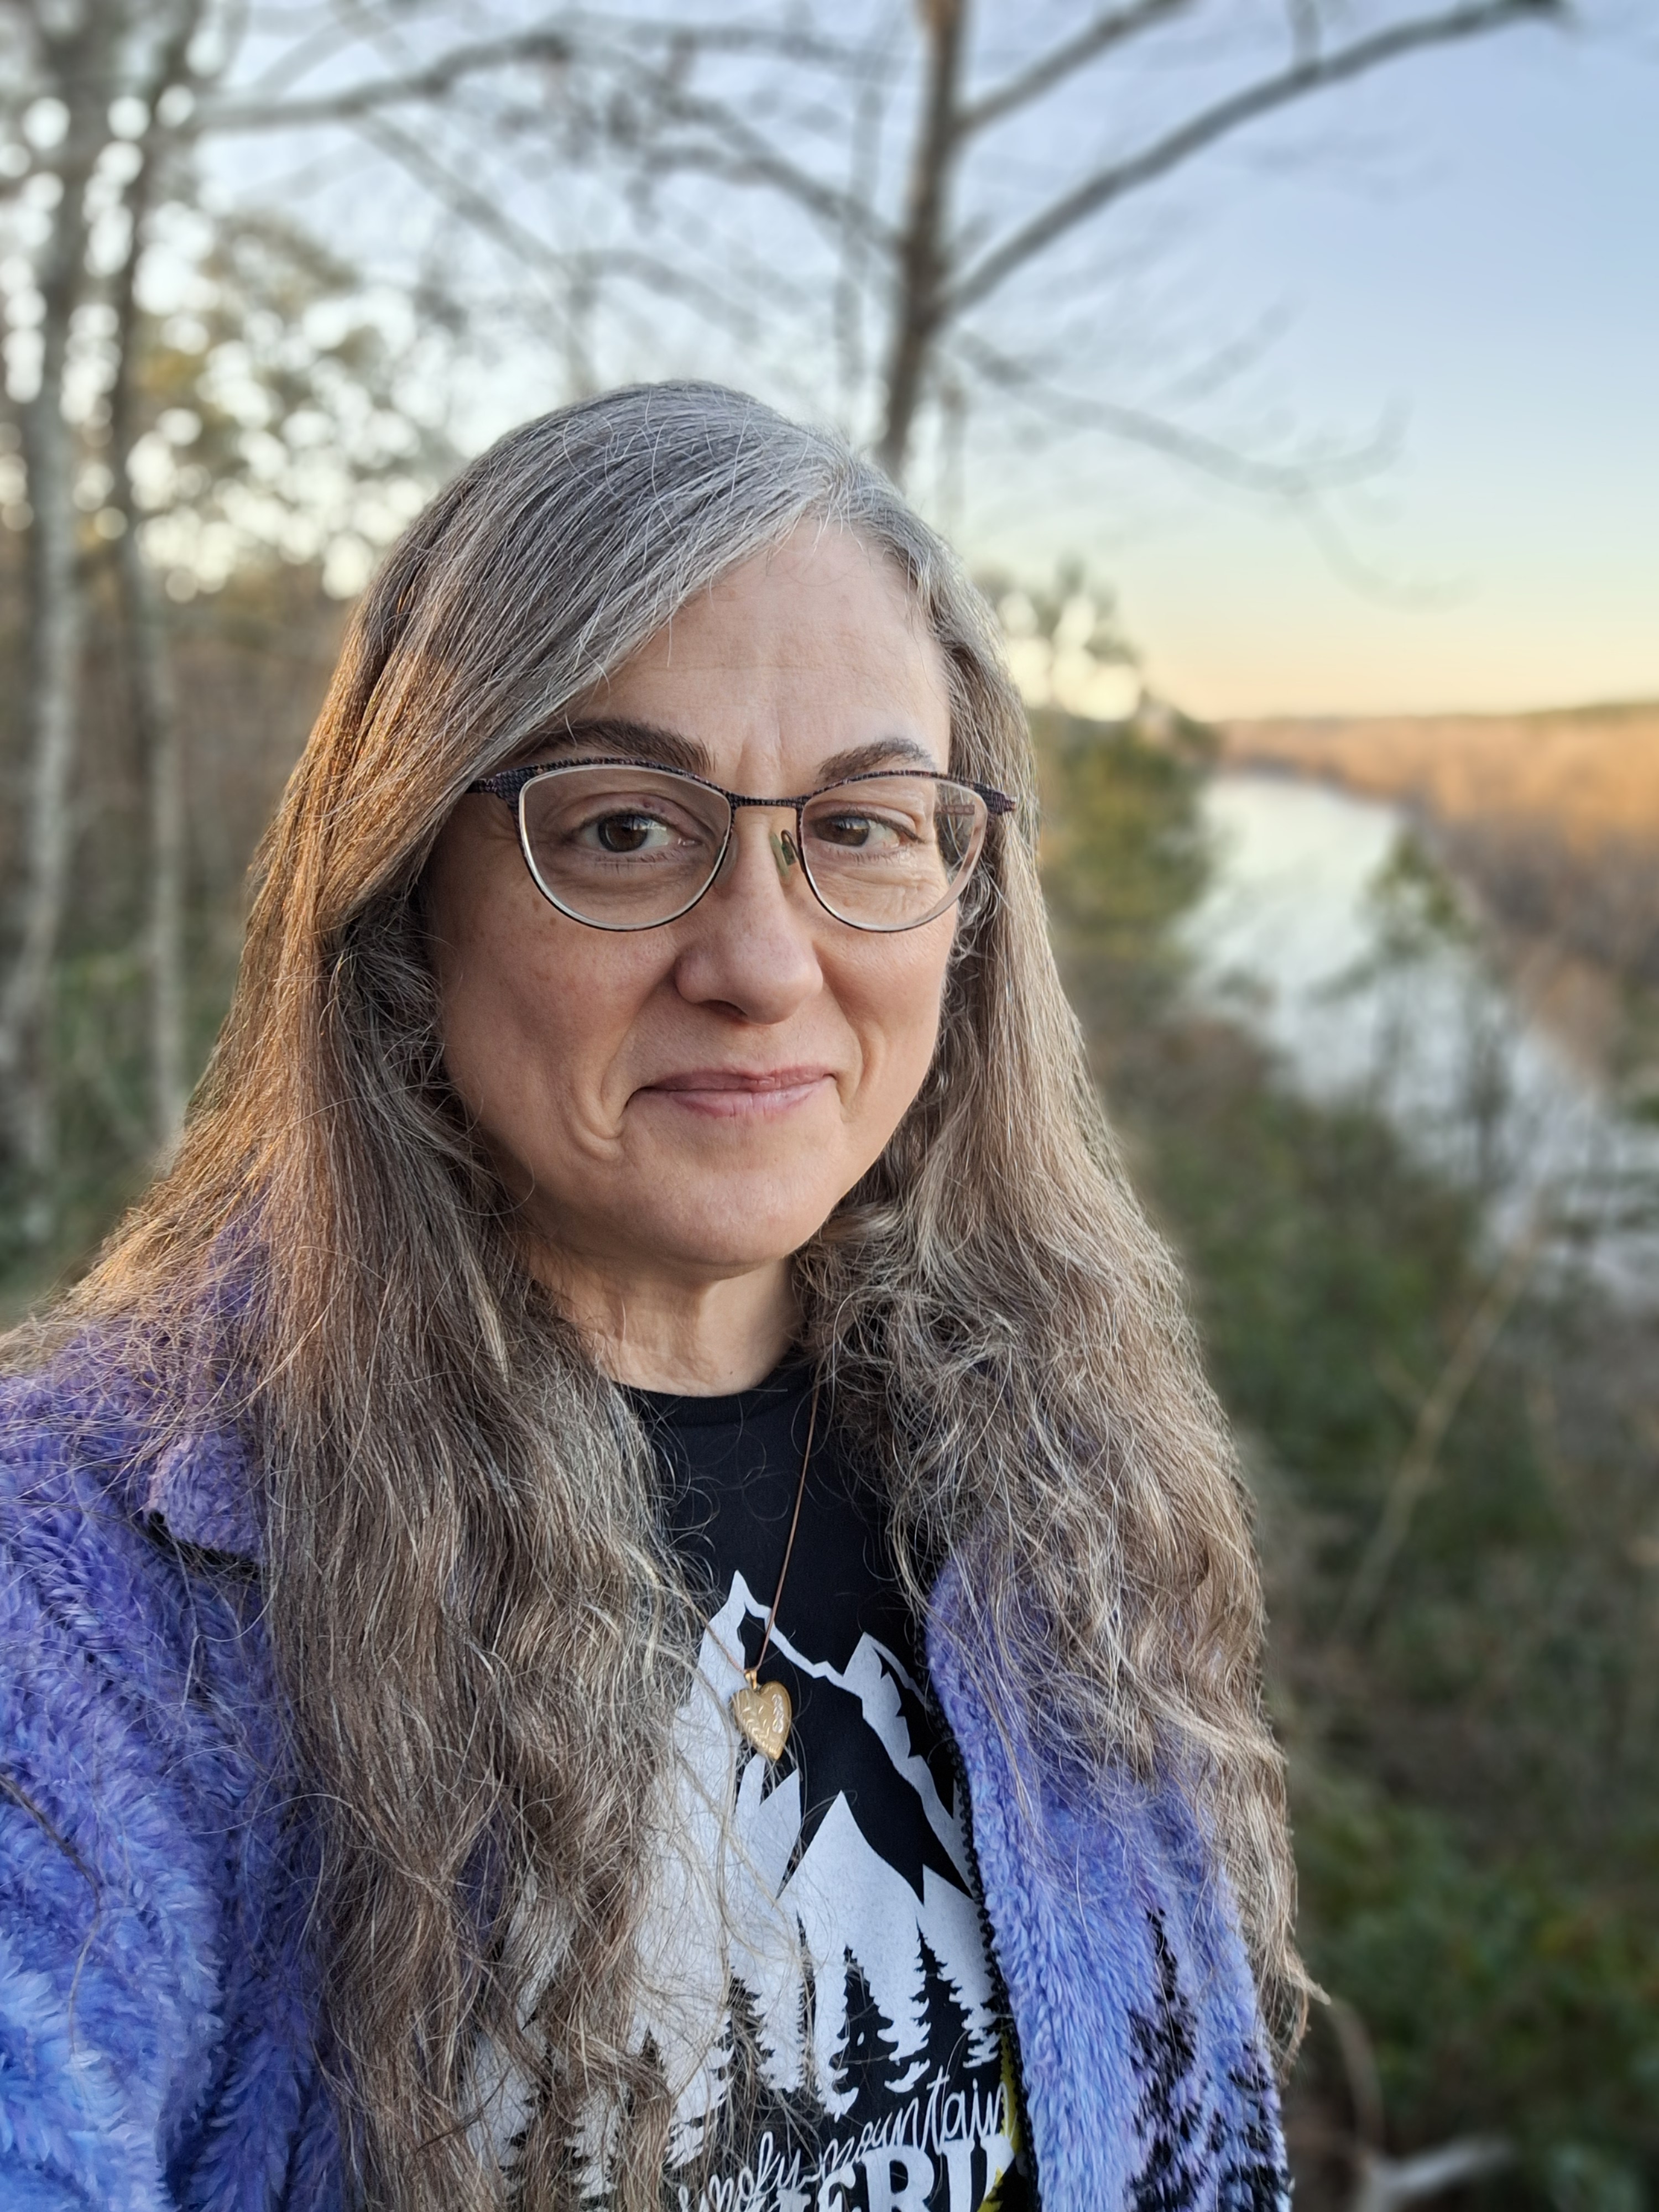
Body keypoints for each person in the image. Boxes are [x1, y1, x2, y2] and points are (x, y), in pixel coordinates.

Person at [0, 384, 1305, 2212]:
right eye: (624, 828)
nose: (763, 963)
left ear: (968, 901)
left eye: (863, 826)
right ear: (405, 888)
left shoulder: (1053, 1487)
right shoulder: (90, 1587)